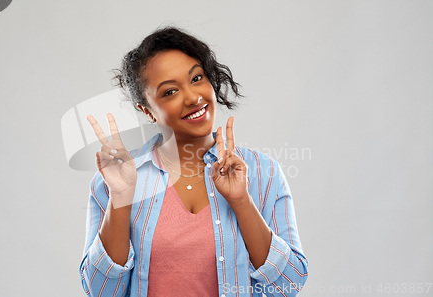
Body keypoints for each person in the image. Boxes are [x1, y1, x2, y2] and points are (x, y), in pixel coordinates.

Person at [80, 27, 308, 297]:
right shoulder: (116, 180)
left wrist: (241, 201)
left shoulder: (263, 172)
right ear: (146, 110)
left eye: (197, 78)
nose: (192, 97)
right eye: (170, 92)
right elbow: (101, 291)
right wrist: (120, 198)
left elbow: (290, 284)